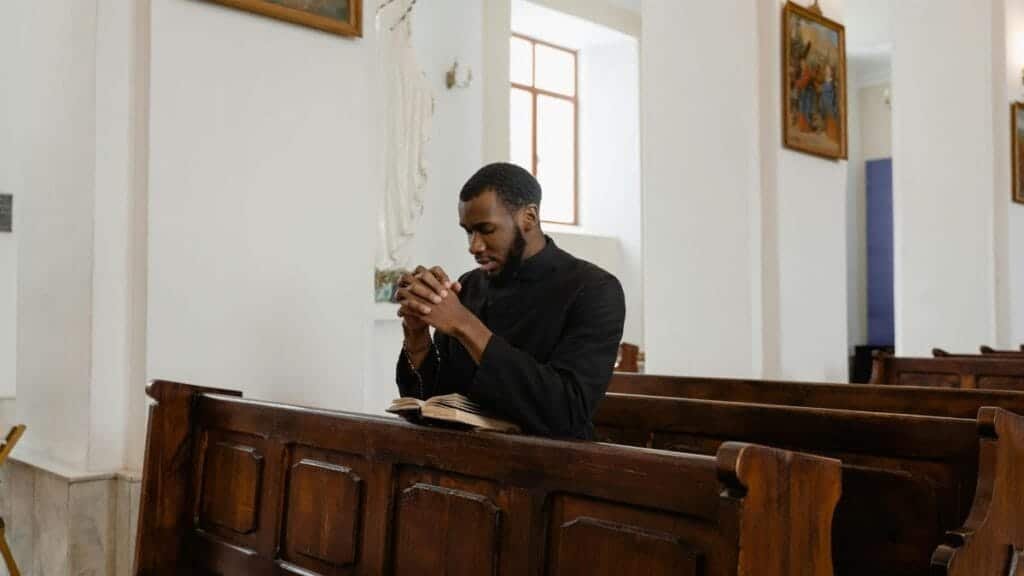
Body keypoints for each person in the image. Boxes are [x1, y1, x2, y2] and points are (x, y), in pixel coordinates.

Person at [395, 163, 625, 439]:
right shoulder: (468, 286)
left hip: (551, 468)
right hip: (462, 460)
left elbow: (568, 410)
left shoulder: (595, 289)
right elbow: (437, 402)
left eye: (486, 229)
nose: (474, 246)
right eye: (468, 231)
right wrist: (417, 333)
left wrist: (465, 324)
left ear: (529, 217)